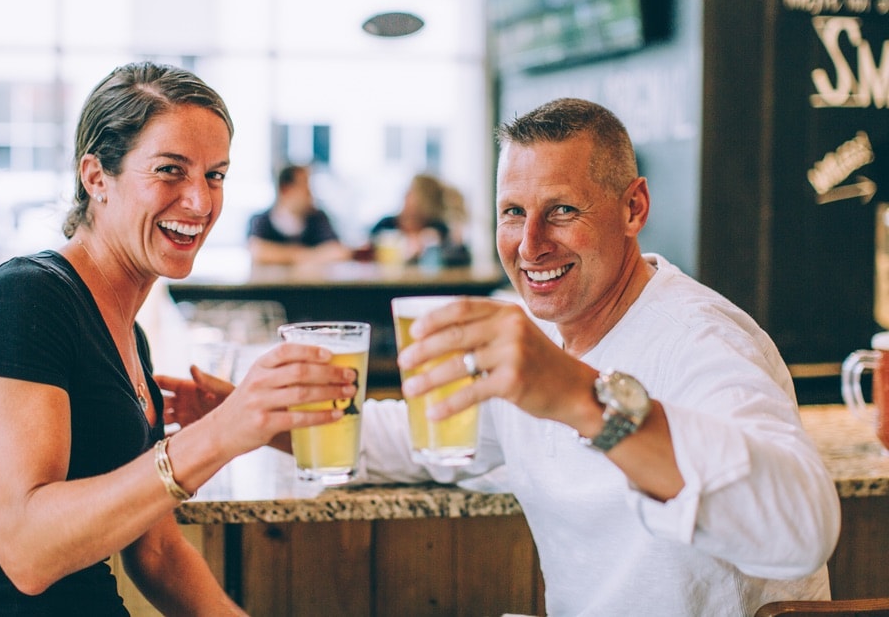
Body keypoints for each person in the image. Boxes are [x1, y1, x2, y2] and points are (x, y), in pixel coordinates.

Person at [353, 98, 841, 614]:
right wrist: (273, 408)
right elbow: (418, 435)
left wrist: (578, 397)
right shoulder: (535, 336)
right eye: (513, 212)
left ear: (633, 208)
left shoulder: (702, 338)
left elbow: (804, 528)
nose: (529, 246)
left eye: (562, 210)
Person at [0, 61, 357, 615]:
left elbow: (156, 552)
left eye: (215, 175)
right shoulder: (22, 301)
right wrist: (225, 433)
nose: (201, 203)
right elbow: (27, 551)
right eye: (170, 170)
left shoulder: (130, 335)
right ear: (96, 177)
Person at [246, 163, 351, 265]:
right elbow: (257, 251)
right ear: (285, 190)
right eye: (305, 186)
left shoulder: (317, 219)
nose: (310, 193)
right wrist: (309, 255)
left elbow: (339, 251)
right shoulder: (261, 221)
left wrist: (285, 255)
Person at [368, 173, 470, 267]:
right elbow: (366, 252)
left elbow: (461, 260)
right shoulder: (387, 225)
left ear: (426, 200)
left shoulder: (438, 229)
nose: (405, 195)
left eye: (412, 192)